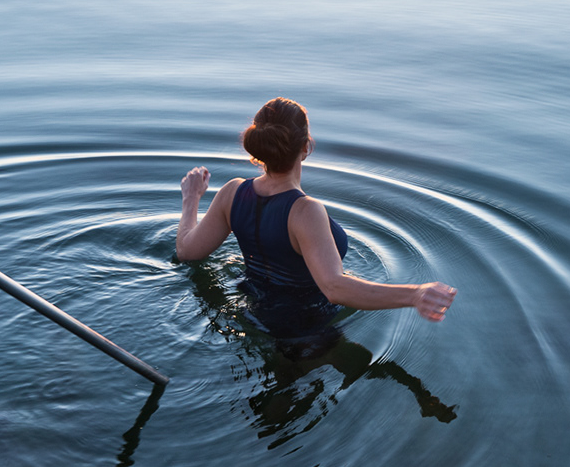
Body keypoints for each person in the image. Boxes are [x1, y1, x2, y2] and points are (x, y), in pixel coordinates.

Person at [175, 98, 456, 339]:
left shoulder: (232, 192)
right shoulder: (305, 210)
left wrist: (191, 199)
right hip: (305, 329)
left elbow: (187, 252)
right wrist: (415, 294)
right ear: (306, 147)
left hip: (250, 309)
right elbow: (334, 288)